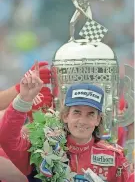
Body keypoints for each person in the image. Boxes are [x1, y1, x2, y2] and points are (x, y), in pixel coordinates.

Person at [0, 63, 130, 182]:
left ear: (98, 120)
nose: (82, 121)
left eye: (90, 114)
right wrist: (24, 99)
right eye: (77, 112)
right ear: (65, 116)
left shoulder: (114, 157)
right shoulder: (39, 150)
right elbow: (6, 137)